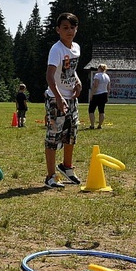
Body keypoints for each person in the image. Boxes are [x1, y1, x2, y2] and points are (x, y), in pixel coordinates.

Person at [44, 13, 82, 189]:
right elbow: (50, 76)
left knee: (71, 134)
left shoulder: (76, 48)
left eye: (72, 27)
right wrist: (58, 98)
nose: (69, 31)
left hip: (71, 98)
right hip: (56, 98)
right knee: (54, 136)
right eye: (65, 28)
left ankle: (67, 167)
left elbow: (70, 70)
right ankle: (51, 176)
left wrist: (78, 81)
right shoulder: (56, 49)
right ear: (58, 30)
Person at [88, 64, 110, 129]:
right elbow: (108, 87)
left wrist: (91, 94)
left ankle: (92, 125)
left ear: (99, 68)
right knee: (101, 110)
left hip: (97, 94)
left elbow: (95, 85)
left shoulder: (97, 75)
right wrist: (107, 96)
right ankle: (100, 125)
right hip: (104, 94)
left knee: (91, 110)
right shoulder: (107, 76)